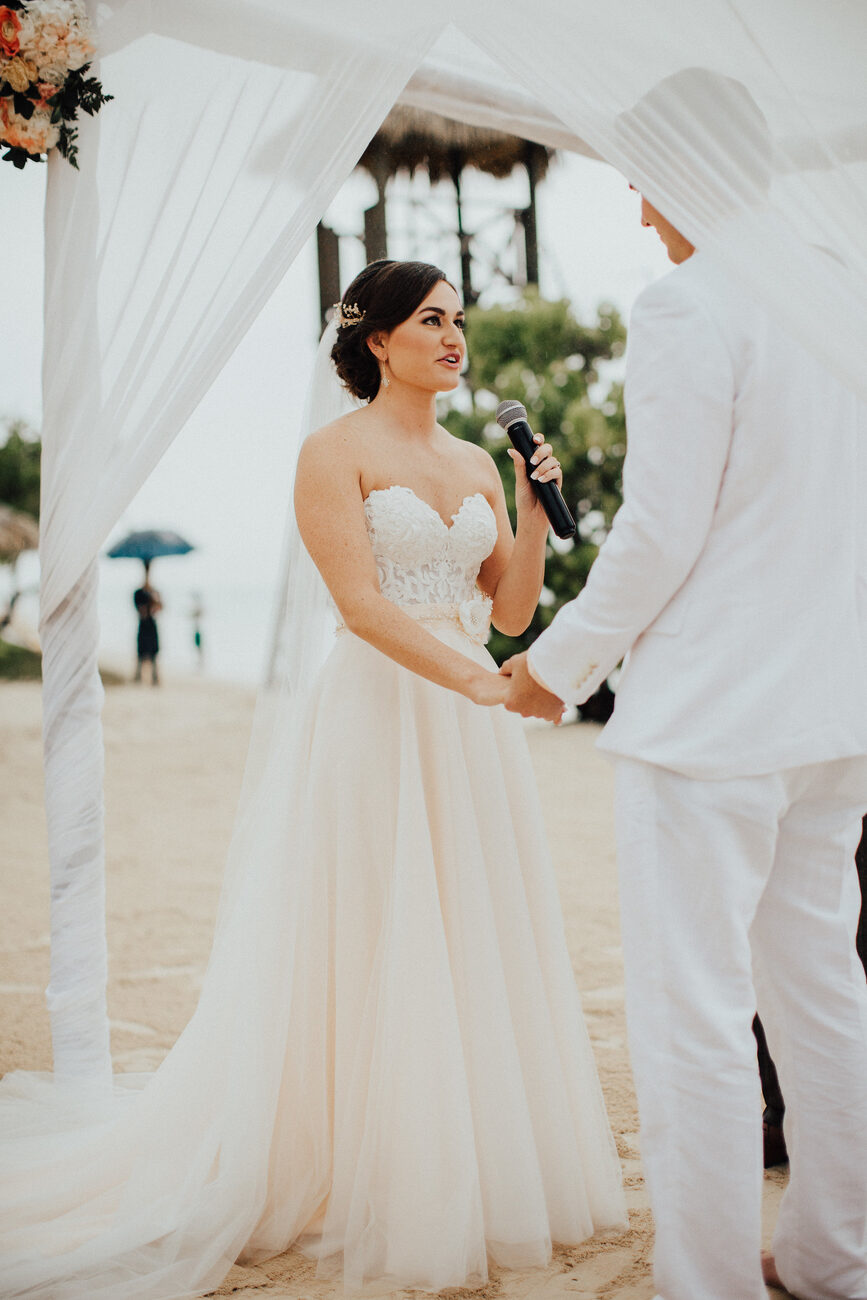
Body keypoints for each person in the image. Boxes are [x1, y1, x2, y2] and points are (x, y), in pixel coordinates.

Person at [0, 260, 625, 1298]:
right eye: (431, 320)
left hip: (474, 726)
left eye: (459, 320)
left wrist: (525, 504)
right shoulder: (330, 454)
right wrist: (481, 685)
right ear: (376, 339)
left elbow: (511, 612)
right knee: (372, 925)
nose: (454, 337)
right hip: (387, 713)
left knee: (472, 921)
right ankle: (349, 1162)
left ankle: (458, 1146)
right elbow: (364, 609)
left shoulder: (478, 459)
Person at [500, 76, 867, 1300]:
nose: (635, 199)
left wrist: (555, 668)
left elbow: (657, 537)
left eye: (640, 169)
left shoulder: (688, 306)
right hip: (832, 714)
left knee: (693, 1021)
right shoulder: (840, 287)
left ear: (684, 168)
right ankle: (833, 1260)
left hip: (711, 727)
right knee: (821, 997)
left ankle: (706, 1283)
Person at [133, 570, 162, 685]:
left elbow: (160, 608)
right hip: (144, 624)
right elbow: (141, 610)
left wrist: (155, 600)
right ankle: (138, 676)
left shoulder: (155, 592)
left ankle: (154, 678)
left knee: (154, 652)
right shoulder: (139, 593)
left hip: (152, 625)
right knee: (141, 652)